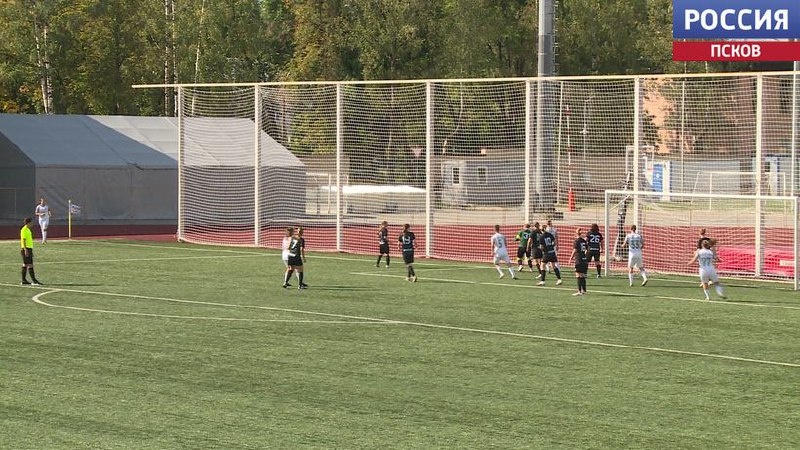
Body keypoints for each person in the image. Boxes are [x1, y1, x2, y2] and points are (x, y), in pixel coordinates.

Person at [20, 217, 42, 285]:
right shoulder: (24, 229)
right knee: (30, 264)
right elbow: (23, 240)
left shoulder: (28, 229)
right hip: (26, 249)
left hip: (28, 248)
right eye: (31, 222)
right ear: (28, 223)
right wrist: (26, 250)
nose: (32, 223)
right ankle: (34, 281)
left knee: (25, 264)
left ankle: (23, 280)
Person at [569, 228, 589, 296]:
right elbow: (587, 250)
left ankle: (579, 291)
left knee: (578, 275)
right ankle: (584, 290)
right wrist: (584, 255)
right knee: (582, 275)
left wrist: (571, 258)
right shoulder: (584, 241)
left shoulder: (576, 241)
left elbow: (575, 250)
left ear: (576, 234)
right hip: (584, 259)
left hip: (579, 259)